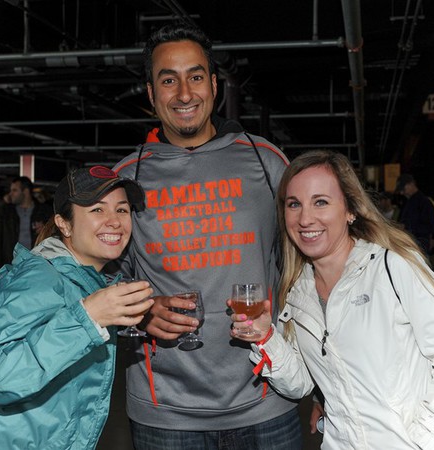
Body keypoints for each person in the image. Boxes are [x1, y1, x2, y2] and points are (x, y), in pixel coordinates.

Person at [110, 22, 303, 450]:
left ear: (214, 85)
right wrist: (142, 312)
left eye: (195, 76)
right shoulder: (126, 179)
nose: (184, 93)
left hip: (267, 400)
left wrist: (328, 385)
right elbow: (99, 277)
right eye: (168, 80)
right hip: (166, 413)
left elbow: (307, 268)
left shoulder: (266, 162)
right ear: (151, 93)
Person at [229, 150, 434, 448]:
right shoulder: (298, 293)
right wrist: (266, 338)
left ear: (350, 210)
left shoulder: (394, 267)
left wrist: (425, 440)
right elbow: (300, 383)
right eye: (294, 204)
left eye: (320, 202)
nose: (305, 218)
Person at [0, 166, 154, 449]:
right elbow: (0, 378)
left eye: (122, 210)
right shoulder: (38, 279)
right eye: (97, 210)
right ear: (64, 224)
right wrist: (88, 318)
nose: (114, 221)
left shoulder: (82, 280)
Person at [0, 176, 52, 279]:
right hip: (11, 264)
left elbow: (56, 236)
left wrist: (45, 229)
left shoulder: (44, 211)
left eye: (14, 190)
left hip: (37, 264)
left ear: (25, 191)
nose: (10, 194)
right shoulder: (5, 212)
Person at [395, 173, 434, 254]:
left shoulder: (424, 203)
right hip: (410, 244)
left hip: (419, 245)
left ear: (411, 184)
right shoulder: (407, 202)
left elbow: (429, 227)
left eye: (403, 189)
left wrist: (405, 227)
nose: (401, 193)